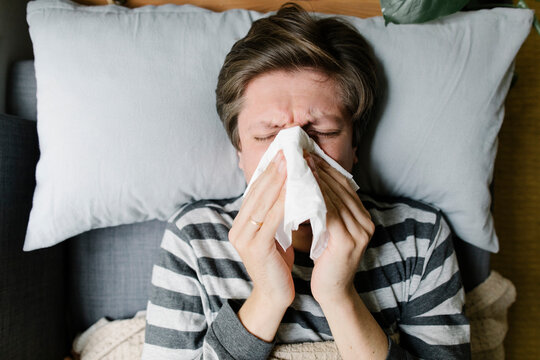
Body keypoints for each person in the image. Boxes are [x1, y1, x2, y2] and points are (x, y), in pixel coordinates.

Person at [142, 3, 470, 359]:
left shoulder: (419, 238)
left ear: (354, 145)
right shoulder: (195, 239)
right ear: (239, 148)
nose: (295, 156)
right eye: (268, 136)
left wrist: (338, 296)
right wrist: (268, 296)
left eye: (323, 132)